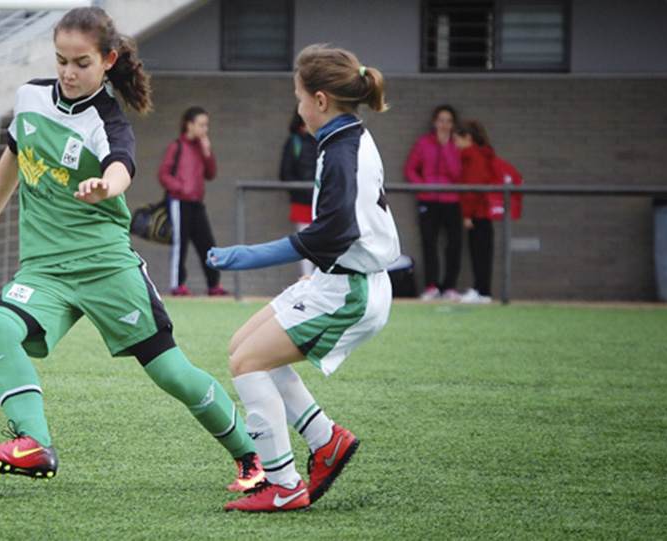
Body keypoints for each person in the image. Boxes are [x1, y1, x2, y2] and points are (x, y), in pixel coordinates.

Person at [0, 6, 262, 494]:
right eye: (61, 59)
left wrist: (108, 185)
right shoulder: (30, 98)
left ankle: (253, 455)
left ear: (107, 60)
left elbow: (123, 165)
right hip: (45, 270)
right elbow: (15, 154)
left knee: (171, 373)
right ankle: (33, 443)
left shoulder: (108, 118)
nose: (68, 72)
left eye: (81, 63)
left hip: (106, 267)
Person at [208, 45, 400, 512]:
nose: (296, 108)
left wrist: (246, 257)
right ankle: (325, 441)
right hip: (340, 280)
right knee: (243, 347)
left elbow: (331, 234)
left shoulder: (340, 153)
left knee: (246, 363)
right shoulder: (344, 136)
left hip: (349, 289)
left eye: (297, 98)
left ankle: (285, 484)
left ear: (319, 100)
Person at [158, 106, 227, 296]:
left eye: (207, 125)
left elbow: (211, 174)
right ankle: (177, 285)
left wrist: (207, 153)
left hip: (197, 203)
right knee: (180, 244)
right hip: (178, 203)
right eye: (201, 124)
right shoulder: (176, 147)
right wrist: (180, 187)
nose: (205, 129)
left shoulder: (200, 148)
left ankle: (214, 285)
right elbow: (163, 175)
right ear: (190, 125)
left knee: (207, 244)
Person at [404, 104, 462, 301]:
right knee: (429, 243)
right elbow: (411, 168)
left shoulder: (457, 144)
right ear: (434, 122)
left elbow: (457, 173)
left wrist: (446, 147)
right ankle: (431, 286)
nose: (444, 125)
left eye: (448, 121)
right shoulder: (423, 143)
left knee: (453, 245)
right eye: (441, 120)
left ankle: (450, 287)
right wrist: (422, 187)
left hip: (452, 200)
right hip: (428, 201)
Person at [454, 119, 496, 304]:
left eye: (457, 139)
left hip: (478, 214)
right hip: (479, 213)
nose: (455, 143)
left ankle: (482, 290)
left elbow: (473, 188)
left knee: (480, 253)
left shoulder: (474, 158)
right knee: (479, 252)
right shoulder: (476, 156)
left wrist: (467, 214)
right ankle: (481, 289)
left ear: (467, 137)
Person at [279, 111, 317, 277]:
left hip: (323, 202)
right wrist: (300, 191)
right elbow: (285, 173)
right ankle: (306, 281)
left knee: (324, 245)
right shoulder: (295, 141)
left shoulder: (324, 140)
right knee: (305, 246)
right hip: (302, 203)